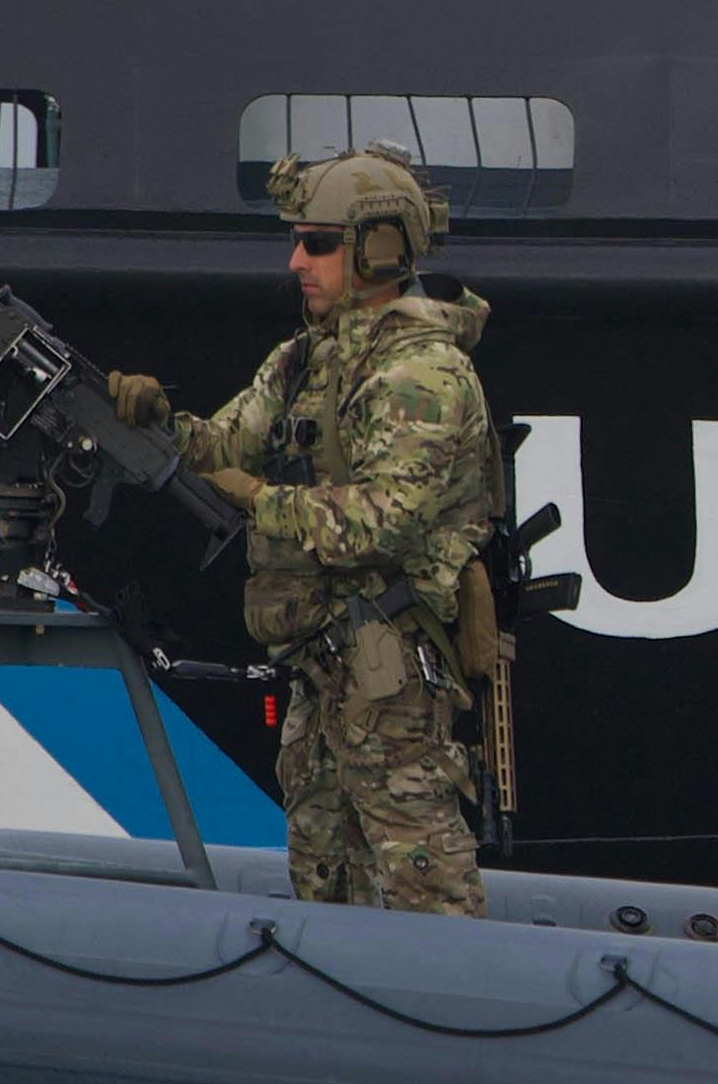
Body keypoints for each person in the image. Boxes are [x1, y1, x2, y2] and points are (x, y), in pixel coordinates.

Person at [103, 148, 500, 917]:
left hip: (392, 677)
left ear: (377, 249)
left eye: (316, 242)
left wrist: (263, 501)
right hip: (323, 671)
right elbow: (222, 448)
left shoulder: (421, 374)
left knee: (423, 883)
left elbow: (385, 522)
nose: (295, 261)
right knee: (322, 875)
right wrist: (154, 421)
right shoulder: (306, 358)